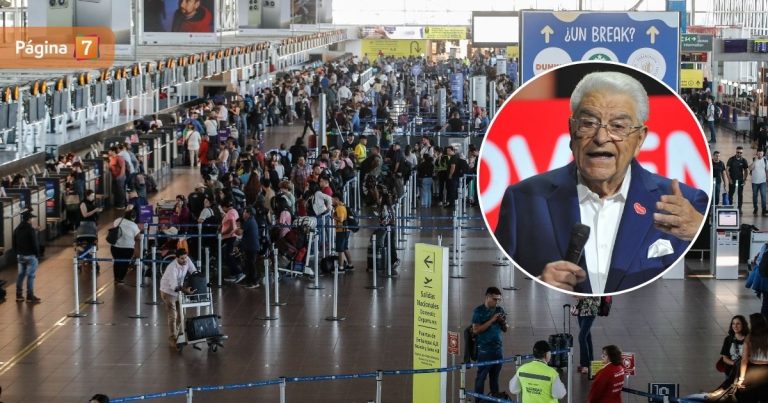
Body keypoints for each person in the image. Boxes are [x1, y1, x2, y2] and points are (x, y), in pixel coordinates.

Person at [494, 71, 709, 294]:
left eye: (618, 126)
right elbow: (500, 284)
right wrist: (537, 286)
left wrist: (696, 230)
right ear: (571, 130)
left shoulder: (686, 205)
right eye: (588, 123)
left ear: (640, 139)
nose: (601, 137)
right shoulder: (523, 200)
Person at [472, 287, 509, 396]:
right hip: (484, 351)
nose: (497, 302)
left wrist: (503, 322)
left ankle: (495, 398)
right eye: (494, 299)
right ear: (487, 297)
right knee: (481, 378)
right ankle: (478, 400)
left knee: (495, 378)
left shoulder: (500, 310)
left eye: (499, 300)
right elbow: (476, 330)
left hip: (498, 350)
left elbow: (506, 329)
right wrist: (492, 320)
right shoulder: (478, 311)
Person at [159, 249, 198, 348]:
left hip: (179, 291)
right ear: (177, 258)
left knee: (181, 314)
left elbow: (194, 271)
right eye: (182, 258)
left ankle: (176, 334)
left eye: (185, 257)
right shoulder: (172, 268)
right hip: (168, 291)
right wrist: (187, 290)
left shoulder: (187, 260)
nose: (185, 260)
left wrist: (198, 281)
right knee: (173, 315)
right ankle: (172, 338)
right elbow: (175, 287)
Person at [734, 313, 768, 402]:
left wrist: (741, 378)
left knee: (749, 397)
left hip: (752, 370)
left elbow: (744, 360)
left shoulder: (749, 338)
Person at [13, 211, 41, 303]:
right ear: (29, 220)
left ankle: (19, 295)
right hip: (30, 256)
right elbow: (34, 243)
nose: (33, 220)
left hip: (20, 255)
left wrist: (17, 253)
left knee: (21, 275)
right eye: (32, 218)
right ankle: (29, 296)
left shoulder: (17, 229)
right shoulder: (30, 229)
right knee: (30, 275)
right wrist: (37, 255)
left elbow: (14, 244)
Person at [110, 210, 141, 284]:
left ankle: (116, 278)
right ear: (133, 217)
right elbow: (138, 237)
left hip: (115, 246)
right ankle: (120, 279)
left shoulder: (118, 220)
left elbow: (114, 228)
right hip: (127, 248)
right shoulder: (134, 225)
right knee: (125, 263)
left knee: (117, 262)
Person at [575, 296, 601, 374]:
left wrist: (579, 296)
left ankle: (585, 365)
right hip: (581, 310)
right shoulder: (584, 284)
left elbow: (593, 297)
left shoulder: (594, 285)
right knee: (587, 336)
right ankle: (590, 362)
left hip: (590, 311)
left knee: (582, 337)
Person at [332, 195, 353, 271]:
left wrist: (333, 217)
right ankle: (350, 265)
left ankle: (341, 267)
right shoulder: (343, 206)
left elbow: (341, 219)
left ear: (337, 199)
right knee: (345, 248)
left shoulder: (340, 208)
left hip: (341, 231)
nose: (332, 201)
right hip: (345, 230)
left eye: (333, 199)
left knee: (340, 249)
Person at [726, 146, 749, 213]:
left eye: (740, 153)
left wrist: (745, 180)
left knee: (740, 194)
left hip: (740, 180)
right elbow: (727, 170)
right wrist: (729, 179)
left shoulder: (744, 160)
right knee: (730, 194)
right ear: (736, 152)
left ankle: (739, 208)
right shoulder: (731, 159)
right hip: (732, 180)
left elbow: (746, 170)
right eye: (738, 152)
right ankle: (730, 206)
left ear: (742, 153)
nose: (739, 154)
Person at [750, 149, 768, 216]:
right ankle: (755, 208)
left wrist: (767, 178)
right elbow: (750, 168)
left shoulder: (765, 161)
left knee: (763, 196)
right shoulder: (753, 159)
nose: (760, 155)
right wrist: (755, 161)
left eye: (761, 153)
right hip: (754, 182)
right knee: (755, 195)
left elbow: (766, 170)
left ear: (763, 154)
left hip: (762, 181)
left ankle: (764, 209)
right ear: (757, 153)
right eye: (759, 153)